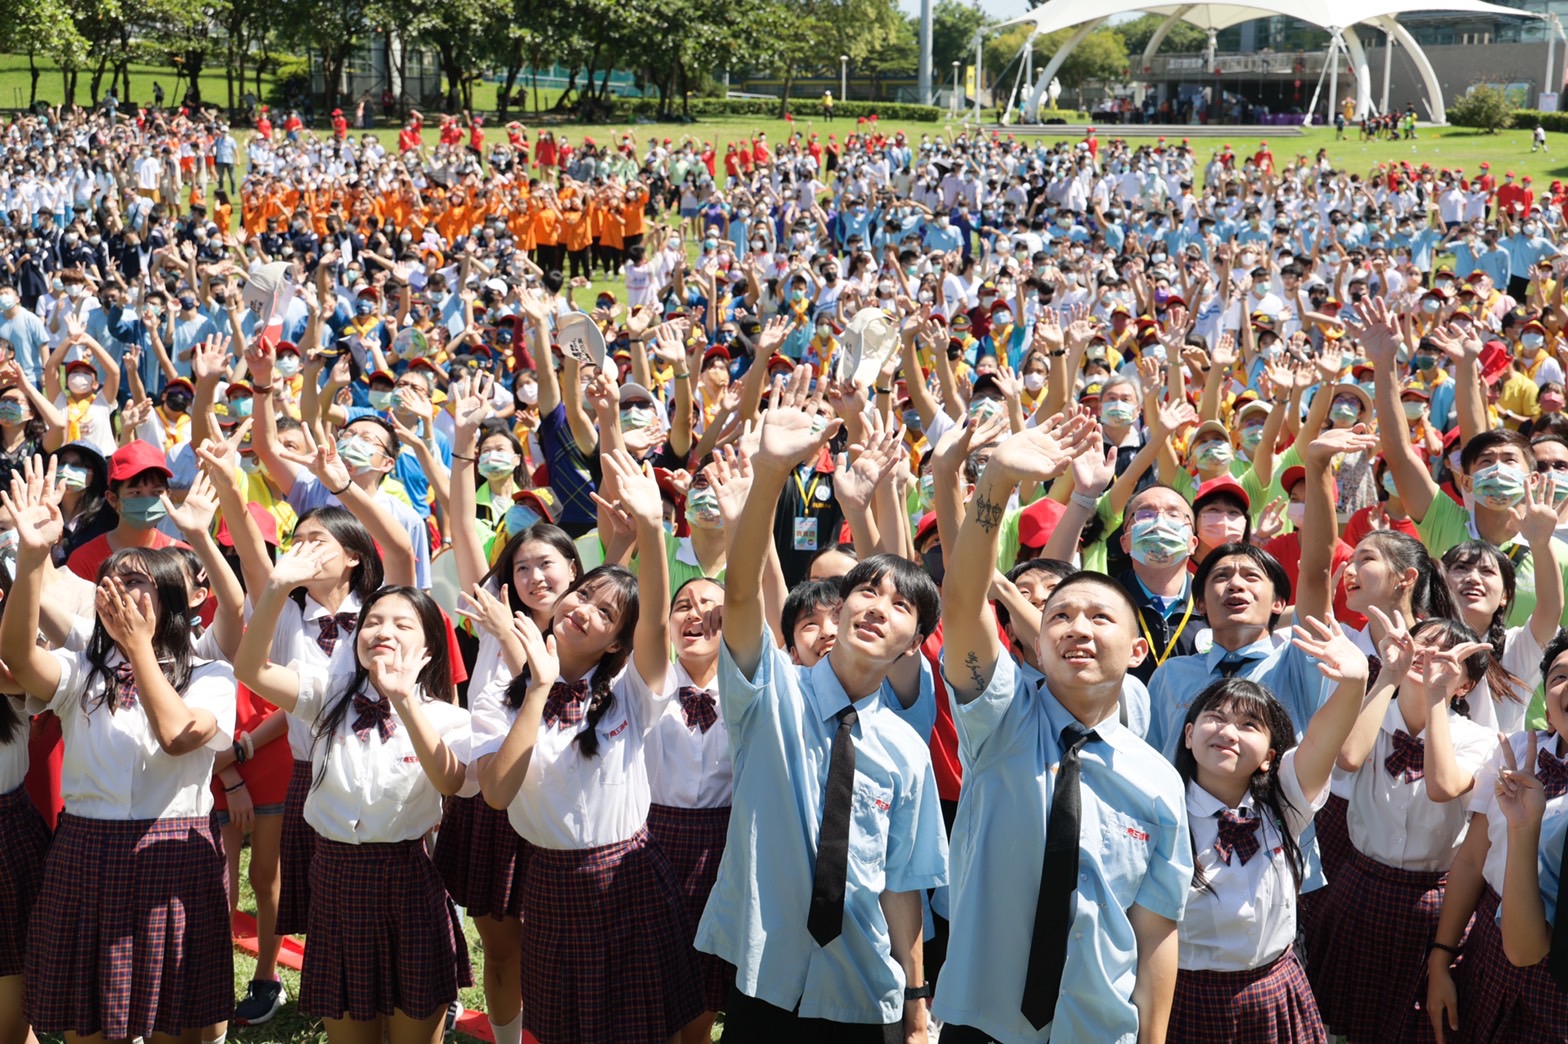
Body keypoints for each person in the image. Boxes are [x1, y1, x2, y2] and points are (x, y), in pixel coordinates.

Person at [694, 367, 948, 1042]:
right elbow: (744, 597)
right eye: (866, 592)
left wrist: (917, 1003)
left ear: (915, 644)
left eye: (900, 607)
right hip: (767, 982)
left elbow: (903, 882)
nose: (877, 608)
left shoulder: (903, 748)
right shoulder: (770, 693)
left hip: (861, 988)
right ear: (839, 609)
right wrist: (772, 473)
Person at [936, 415, 1193, 1043]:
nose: (1077, 627)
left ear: (1137, 650)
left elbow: (1156, 927)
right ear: (1034, 641)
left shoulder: (1157, 780)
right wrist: (993, 481)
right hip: (983, 1020)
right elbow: (964, 599)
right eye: (1060, 616)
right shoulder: (998, 719)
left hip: (1097, 1027)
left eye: (1100, 616)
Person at [2, 456, 236, 1044]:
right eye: (114, 578)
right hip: (86, 846)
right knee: (90, 1022)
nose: (119, 588)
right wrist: (32, 557)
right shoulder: (86, 665)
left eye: (137, 580)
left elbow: (179, 733)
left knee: (181, 1026)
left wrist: (137, 651)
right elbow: (20, 658)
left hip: (174, 852)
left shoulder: (208, 672)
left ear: (173, 600)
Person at [478, 449, 702, 1044]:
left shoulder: (634, 690)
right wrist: (539, 688)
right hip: (549, 881)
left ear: (614, 646)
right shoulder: (507, 687)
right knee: (562, 1029)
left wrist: (652, 529)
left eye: (605, 614)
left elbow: (653, 621)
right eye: (582, 596)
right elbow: (497, 794)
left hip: (626, 876)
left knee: (640, 1029)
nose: (582, 611)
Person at [235, 550, 473, 1043]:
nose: (384, 631)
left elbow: (451, 783)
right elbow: (250, 669)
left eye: (403, 625)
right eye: (373, 621)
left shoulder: (447, 718)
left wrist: (405, 703)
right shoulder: (326, 693)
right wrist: (277, 588)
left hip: (409, 881)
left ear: (430, 646)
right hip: (337, 879)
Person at [1166, 609, 1368, 1043]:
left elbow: (1322, 740)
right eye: (1215, 717)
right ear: (1188, 735)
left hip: (1274, 988)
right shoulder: (1161, 812)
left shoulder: (1284, 802)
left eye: (1249, 725)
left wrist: (1354, 684)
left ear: (1270, 756)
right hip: (1186, 995)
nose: (1228, 732)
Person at [1304, 608, 1496, 1042]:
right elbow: (1349, 757)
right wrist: (1388, 674)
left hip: (1433, 902)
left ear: (1465, 685)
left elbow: (1443, 785)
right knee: (1341, 1026)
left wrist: (1432, 699)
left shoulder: (1478, 739)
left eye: (1448, 654)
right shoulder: (1374, 711)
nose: (1431, 655)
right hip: (1360, 887)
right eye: (1423, 642)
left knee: (1419, 1031)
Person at [1426, 630, 1568, 1042]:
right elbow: (1472, 859)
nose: (1567, 685)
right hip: (1490, 940)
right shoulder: (1516, 751)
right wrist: (1442, 957)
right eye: (1557, 677)